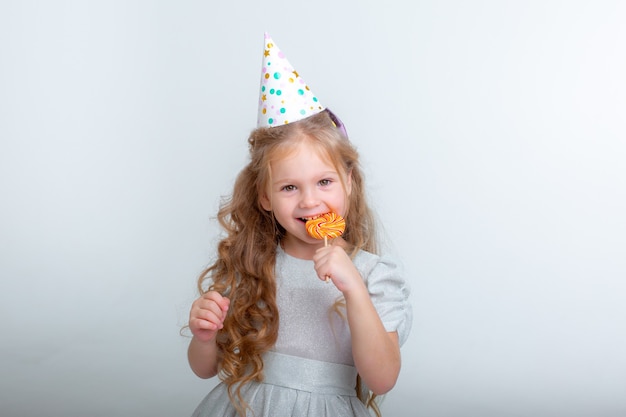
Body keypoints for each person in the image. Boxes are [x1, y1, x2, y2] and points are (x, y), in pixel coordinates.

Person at [187, 34, 412, 417]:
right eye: (289, 187)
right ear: (265, 198)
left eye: (324, 182)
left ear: (349, 182)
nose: (309, 201)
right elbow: (204, 369)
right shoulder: (254, 267)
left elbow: (382, 379)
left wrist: (353, 287)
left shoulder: (374, 275)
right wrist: (204, 337)